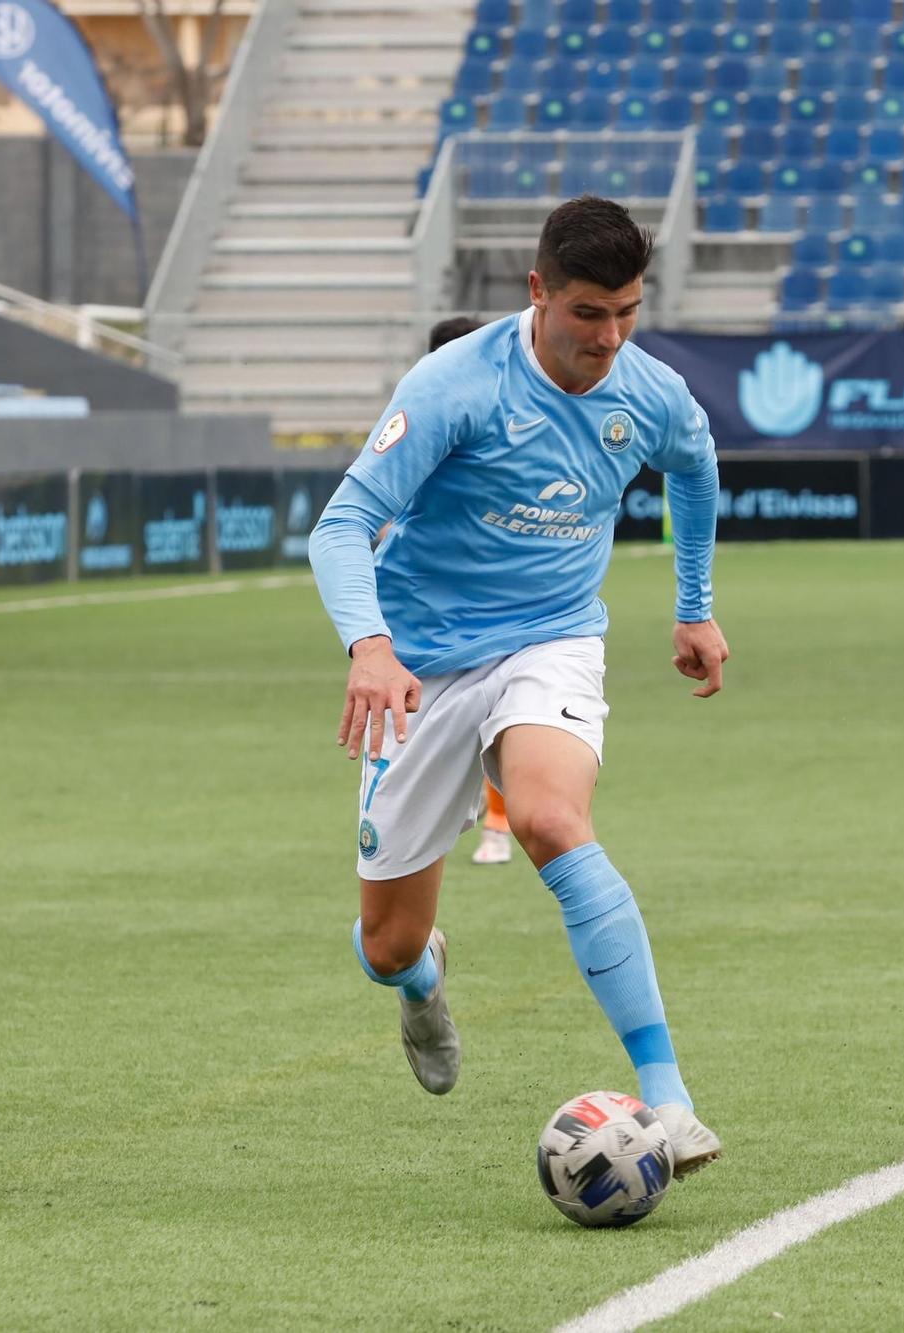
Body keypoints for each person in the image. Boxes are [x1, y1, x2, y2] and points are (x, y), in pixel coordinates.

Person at [308, 196, 730, 1176]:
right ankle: (423, 982)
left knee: (545, 818)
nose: (609, 336)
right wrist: (369, 646)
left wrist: (693, 604)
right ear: (538, 293)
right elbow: (342, 523)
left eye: (627, 311)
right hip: (420, 667)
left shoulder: (650, 391)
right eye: (588, 313)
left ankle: (666, 1095)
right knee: (384, 944)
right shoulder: (456, 384)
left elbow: (695, 468)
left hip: (551, 642)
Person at [423, 313, 516, 868]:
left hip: (503, 613)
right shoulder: (423, 415)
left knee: (502, 726)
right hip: (429, 620)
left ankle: (498, 828)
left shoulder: (510, 421)